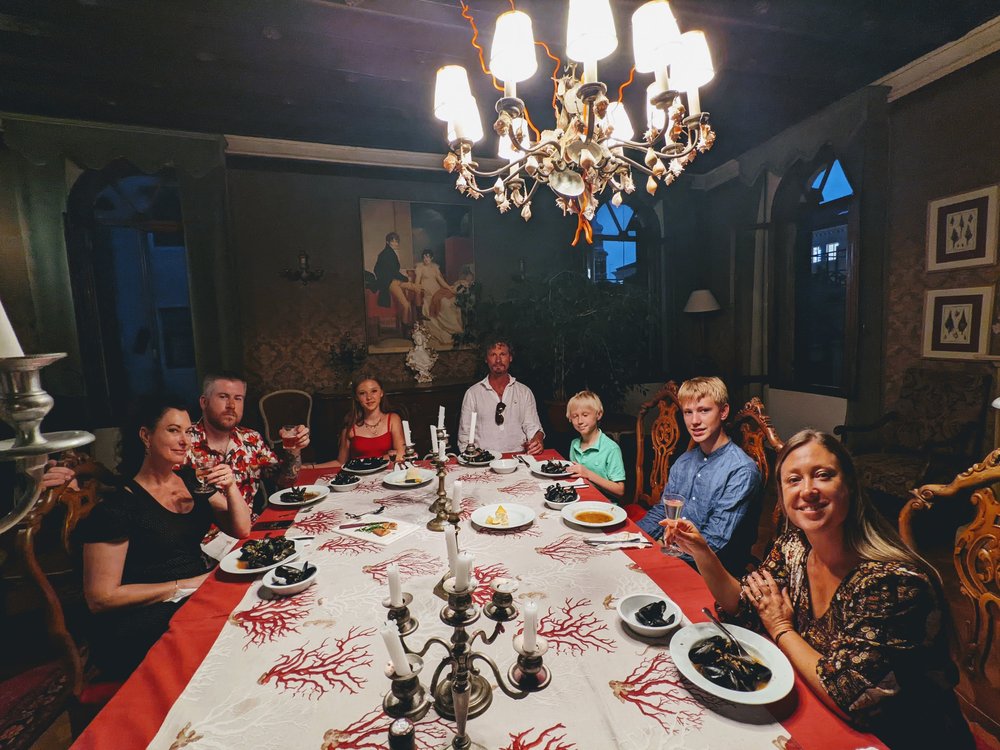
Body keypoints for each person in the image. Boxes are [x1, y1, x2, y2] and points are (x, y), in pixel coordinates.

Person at [661, 429, 973, 749]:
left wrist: (782, 628)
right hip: (816, 701)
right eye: (793, 480)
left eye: (823, 475)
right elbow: (747, 606)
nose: (807, 490)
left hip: (901, 737)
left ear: (849, 485)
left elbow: (850, 697)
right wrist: (702, 552)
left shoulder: (892, 584)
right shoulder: (793, 547)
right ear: (782, 496)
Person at [77, 396, 251, 678]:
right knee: (235, 639)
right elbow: (100, 598)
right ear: (146, 435)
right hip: (141, 620)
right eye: (173, 430)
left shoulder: (192, 482)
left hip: (195, 597)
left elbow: (242, 529)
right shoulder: (118, 507)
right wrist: (185, 585)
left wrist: (231, 487)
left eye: (188, 431)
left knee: (256, 609)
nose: (185, 440)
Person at [636, 376, 761, 575]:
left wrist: (658, 558)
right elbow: (662, 511)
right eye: (688, 412)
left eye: (704, 410)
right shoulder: (684, 462)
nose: (694, 421)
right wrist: (633, 539)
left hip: (715, 570)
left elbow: (715, 541)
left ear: (723, 412)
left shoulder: (741, 471)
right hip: (674, 553)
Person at [186, 372, 308, 516]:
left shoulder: (251, 438)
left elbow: (285, 481)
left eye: (238, 398)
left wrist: (294, 450)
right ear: (204, 402)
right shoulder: (183, 442)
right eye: (223, 397)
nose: (231, 405)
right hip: (204, 536)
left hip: (248, 529)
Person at [458, 338, 544, 455]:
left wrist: (537, 441)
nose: (498, 360)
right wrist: (473, 458)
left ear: (510, 357)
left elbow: (533, 428)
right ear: (486, 359)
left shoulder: (524, 392)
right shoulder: (473, 394)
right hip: (483, 459)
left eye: (503, 354)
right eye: (493, 354)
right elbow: (464, 436)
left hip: (518, 457)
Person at [565, 390, 625, 500]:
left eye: (585, 415)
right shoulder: (574, 444)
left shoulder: (611, 449)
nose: (580, 421)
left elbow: (620, 490)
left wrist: (588, 474)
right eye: (575, 416)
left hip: (604, 505)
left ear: (598, 415)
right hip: (580, 499)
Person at [335, 376, 407, 464]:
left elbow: (400, 454)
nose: (369, 397)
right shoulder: (350, 425)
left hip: (386, 475)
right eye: (362, 393)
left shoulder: (393, 419)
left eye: (374, 391)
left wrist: (369, 462)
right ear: (357, 397)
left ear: (381, 393)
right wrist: (313, 467)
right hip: (360, 476)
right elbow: (340, 463)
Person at [415, 249, 465, 346]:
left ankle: (455, 329)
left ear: (431, 258)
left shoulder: (434, 268)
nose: (426, 259)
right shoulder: (420, 268)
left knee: (448, 301)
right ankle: (453, 330)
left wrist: (449, 288)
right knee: (443, 303)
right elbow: (417, 281)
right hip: (428, 295)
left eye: (428, 257)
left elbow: (440, 281)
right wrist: (417, 288)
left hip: (437, 291)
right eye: (424, 257)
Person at [373, 232, 421, 324]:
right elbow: (392, 272)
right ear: (388, 242)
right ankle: (405, 325)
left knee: (417, 288)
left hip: (395, 280)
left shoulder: (390, 252)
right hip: (389, 282)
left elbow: (392, 270)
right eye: (393, 241)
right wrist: (406, 279)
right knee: (406, 305)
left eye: (396, 242)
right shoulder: (386, 254)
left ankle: (418, 316)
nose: (395, 244)